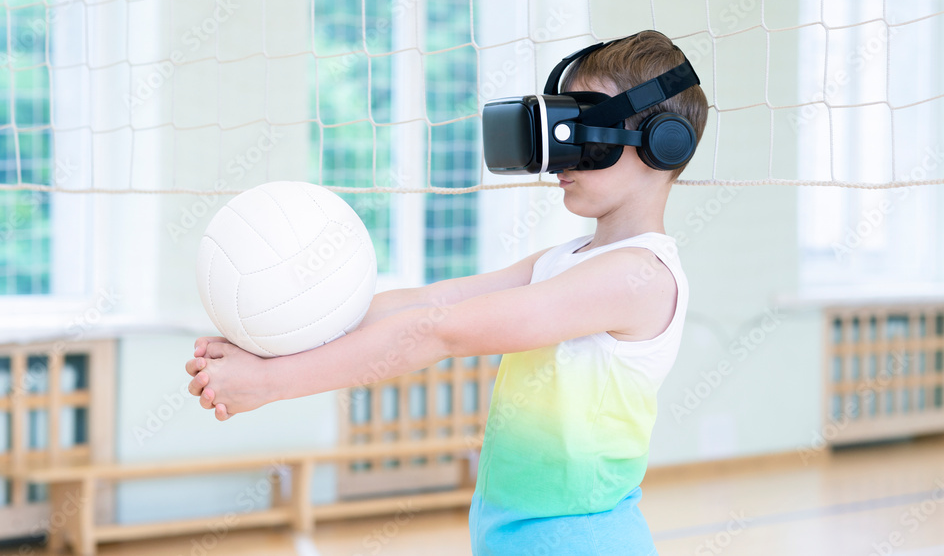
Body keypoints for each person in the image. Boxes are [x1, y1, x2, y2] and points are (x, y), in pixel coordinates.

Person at [186, 30, 708, 554]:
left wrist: (271, 382)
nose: (560, 149)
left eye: (584, 126)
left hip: (581, 540)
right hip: (510, 535)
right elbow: (438, 301)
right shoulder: (567, 260)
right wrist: (275, 339)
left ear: (664, 143)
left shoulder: (639, 276)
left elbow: (443, 331)